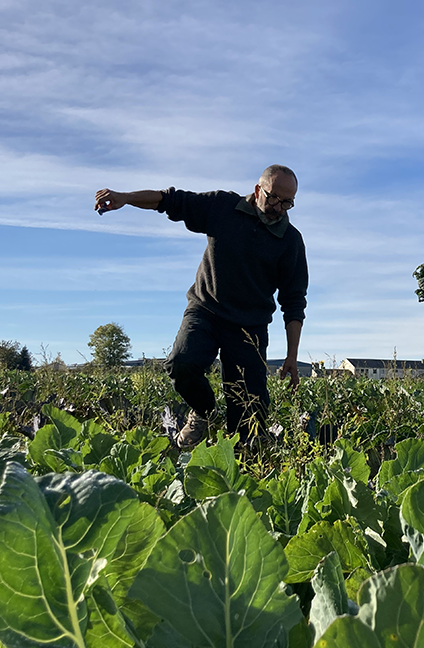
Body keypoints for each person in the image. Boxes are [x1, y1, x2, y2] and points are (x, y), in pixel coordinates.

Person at [94, 165, 308, 448]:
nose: (279, 208)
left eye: (288, 202)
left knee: (250, 416)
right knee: (181, 364)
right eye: (273, 198)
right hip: (206, 310)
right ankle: (203, 413)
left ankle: (243, 461)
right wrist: (125, 197)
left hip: (249, 327)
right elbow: (171, 200)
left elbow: (294, 301)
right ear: (258, 190)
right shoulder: (222, 207)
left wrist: (292, 356)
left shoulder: (290, 241)